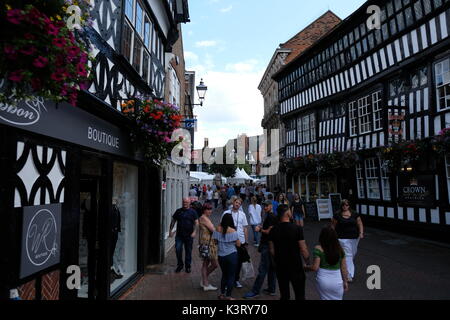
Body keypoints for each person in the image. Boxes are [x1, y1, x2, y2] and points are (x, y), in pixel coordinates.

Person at [268, 205, 310, 300]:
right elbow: (303, 249)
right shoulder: (297, 228)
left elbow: (271, 250)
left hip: (281, 266)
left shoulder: (273, 230)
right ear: (287, 213)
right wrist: (307, 261)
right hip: (296, 265)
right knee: (300, 295)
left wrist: (277, 259)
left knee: (284, 294)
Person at [244, 200, 278, 299]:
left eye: (267, 206)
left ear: (271, 206)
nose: (265, 207)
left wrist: (260, 229)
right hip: (270, 245)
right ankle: (271, 289)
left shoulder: (271, 217)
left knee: (262, 269)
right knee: (271, 268)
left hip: (267, 245)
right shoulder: (270, 216)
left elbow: (269, 232)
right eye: (264, 206)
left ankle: (255, 291)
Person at [305, 226, 349, 300]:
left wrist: (306, 267)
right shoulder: (340, 250)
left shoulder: (318, 249)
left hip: (323, 280)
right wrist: (345, 281)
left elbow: (315, 267)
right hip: (337, 280)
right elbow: (344, 268)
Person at [331, 199, 364, 282]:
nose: (345, 206)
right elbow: (333, 225)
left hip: (354, 238)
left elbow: (360, 223)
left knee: (352, 254)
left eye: (347, 205)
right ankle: (349, 275)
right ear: (341, 206)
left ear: (349, 206)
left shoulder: (354, 214)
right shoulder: (337, 214)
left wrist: (361, 233)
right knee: (348, 255)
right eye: (343, 205)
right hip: (341, 238)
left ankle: (342, 267)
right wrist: (331, 235)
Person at [222, 198, 249, 288]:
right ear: (233, 202)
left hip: (240, 241)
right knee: (229, 263)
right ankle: (226, 281)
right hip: (229, 242)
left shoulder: (242, 214)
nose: (237, 204)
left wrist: (246, 241)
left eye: (239, 203)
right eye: (236, 202)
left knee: (238, 262)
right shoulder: (226, 213)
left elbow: (245, 228)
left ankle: (236, 280)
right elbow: (222, 226)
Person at [213, 214, 241, 300]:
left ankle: (222, 294)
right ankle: (228, 296)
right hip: (231, 255)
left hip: (221, 256)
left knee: (224, 275)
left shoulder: (217, 229)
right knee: (231, 276)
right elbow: (238, 244)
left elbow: (215, 241)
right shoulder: (233, 231)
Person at [170, 198, 199, 273]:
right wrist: (170, 231)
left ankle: (188, 266)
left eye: (186, 202)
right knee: (178, 250)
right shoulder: (178, 211)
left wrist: (194, 231)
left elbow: (196, 222)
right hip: (179, 235)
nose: (185, 203)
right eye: (184, 202)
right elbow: (173, 220)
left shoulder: (193, 212)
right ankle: (180, 265)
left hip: (189, 236)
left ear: (189, 203)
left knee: (188, 251)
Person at [199, 203, 219, 291]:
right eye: (208, 209)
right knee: (214, 264)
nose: (210, 211)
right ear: (204, 210)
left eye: (211, 209)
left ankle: (204, 281)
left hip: (207, 243)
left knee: (206, 263)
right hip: (207, 244)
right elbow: (213, 230)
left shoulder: (205, 217)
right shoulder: (203, 218)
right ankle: (205, 283)